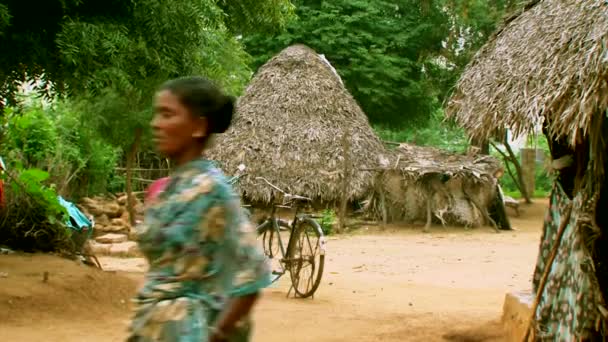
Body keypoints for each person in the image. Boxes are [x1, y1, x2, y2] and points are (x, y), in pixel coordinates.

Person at [127, 76, 271, 342]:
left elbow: (253, 270)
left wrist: (217, 333)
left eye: (167, 114)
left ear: (198, 126)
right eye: (156, 114)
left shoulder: (213, 190)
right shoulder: (169, 189)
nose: (155, 124)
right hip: (152, 330)